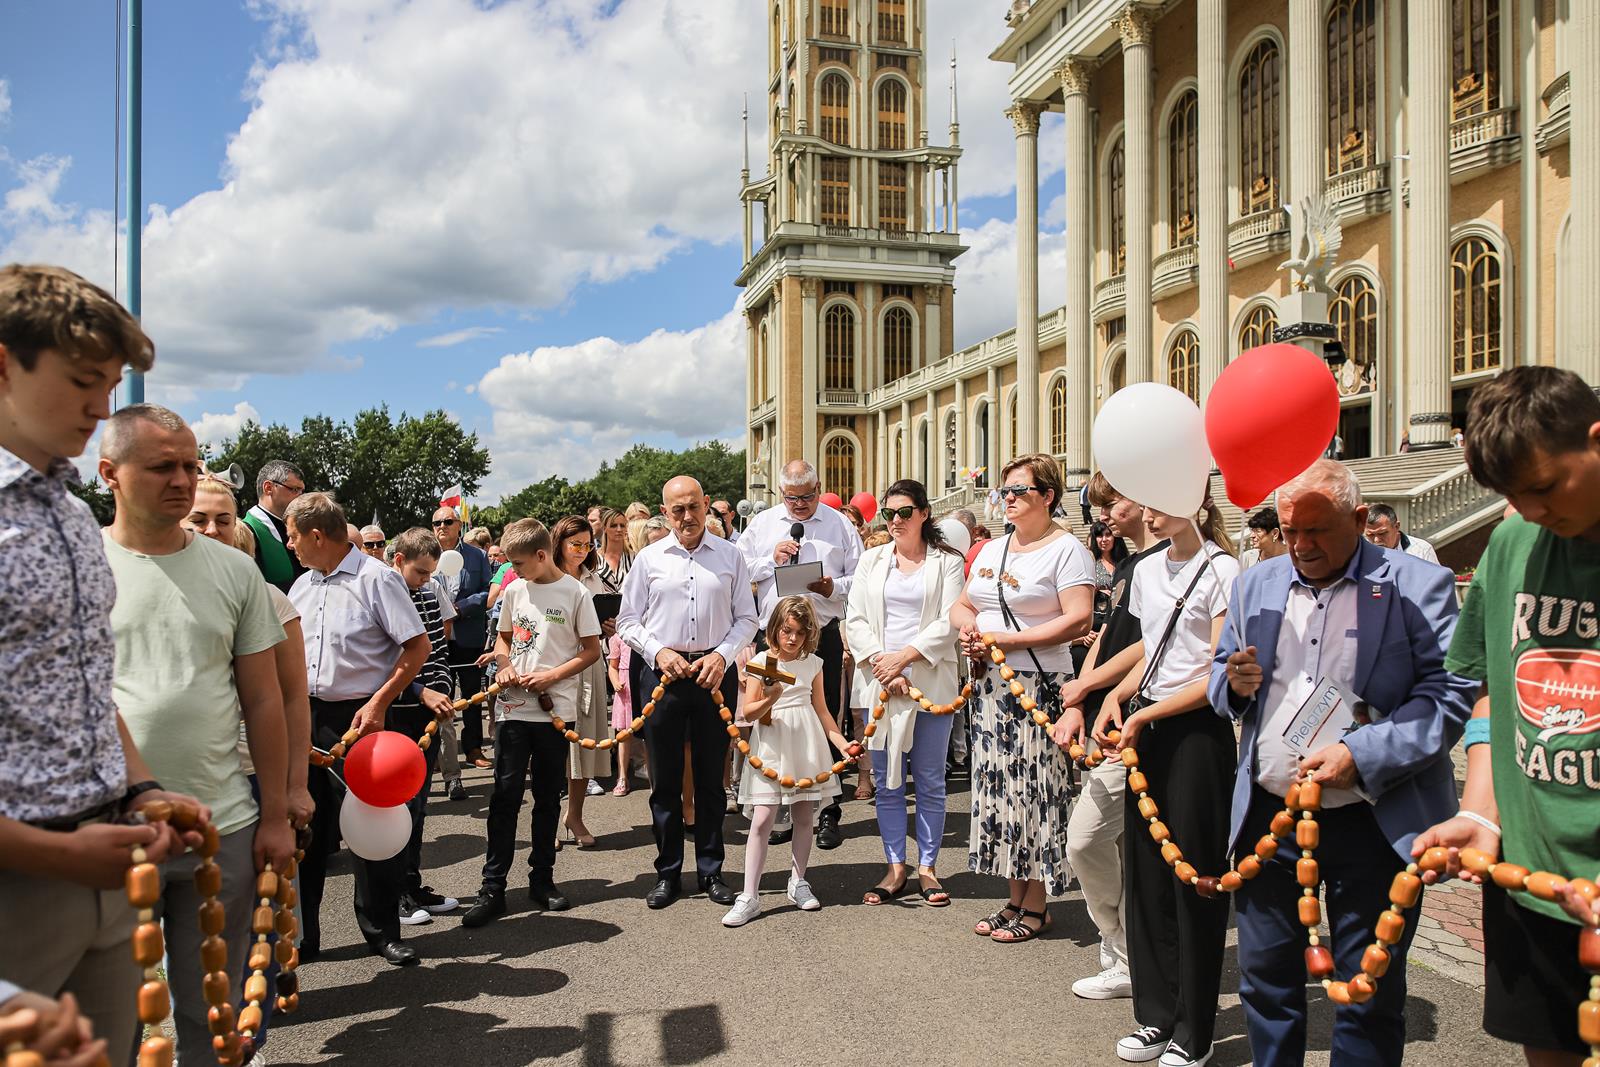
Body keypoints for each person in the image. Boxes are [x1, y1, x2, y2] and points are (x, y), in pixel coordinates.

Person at [0, 263, 209, 1061]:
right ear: (3, 363)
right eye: (84, 379)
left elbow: (83, 684)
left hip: (107, 861)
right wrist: (55, 851)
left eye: (112, 383)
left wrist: (142, 787)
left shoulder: (67, 510)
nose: (101, 404)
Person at [1411, 367, 1600, 1066]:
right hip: (1532, 881)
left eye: (1546, 486)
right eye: (1514, 495)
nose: (1532, 509)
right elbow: (1492, 681)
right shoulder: (1513, 544)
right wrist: (1482, 811)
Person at [96, 405, 294, 1060]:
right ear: (109, 474)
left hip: (224, 827)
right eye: (162, 466)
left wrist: (275, 814)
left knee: (211, 1020)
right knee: (111, 1022)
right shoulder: (83, 565)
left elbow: (264, 698)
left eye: (190, 464)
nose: (182, 480)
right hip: (110, 830)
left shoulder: (235, 572)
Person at [1087, 491, 1239, 1067]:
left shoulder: (1223, 568)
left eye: (1161, 501)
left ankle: (1194, 1030)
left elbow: (1215, 668)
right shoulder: (1148, 569)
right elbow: (1155, 644)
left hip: (1197, 731)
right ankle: (1155, 1014)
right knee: (1147, 876)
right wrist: (1116, 698)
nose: (1147, 514)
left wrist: (1145, 712)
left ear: (1196, 502)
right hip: (1144, 723)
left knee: (1192, 874)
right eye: (1144, 502)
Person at [950, 453, 1094, 942]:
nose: (1008, 499)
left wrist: (1009, 641)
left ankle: (1037, 904)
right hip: (991, 686)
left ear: (1048, 496)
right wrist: (968, 628)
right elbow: (964, 603)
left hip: (1037, 683)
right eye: (1003, 492)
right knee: (999, 792)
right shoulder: (992, 550)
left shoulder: (1067, 550)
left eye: (1019, 491)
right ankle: (1014, 898)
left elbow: (1079, 620)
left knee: (1033, 792)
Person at [286, 492, 429, 966]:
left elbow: (417, 647)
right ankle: (305, 936)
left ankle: (381, 930)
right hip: (309, 718)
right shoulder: (300, 587)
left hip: (362, 719)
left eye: (292, 535)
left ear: (316, 535)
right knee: (308, 831)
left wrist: (380, 702)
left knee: (373, 828)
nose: (289, 545)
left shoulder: (377, 579)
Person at [617, 476, 758, 909]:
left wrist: (722, 656)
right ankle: (667, 873)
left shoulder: (731, 556)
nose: (687, 517)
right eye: (677, 510)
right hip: (663, 677)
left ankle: (712, 871)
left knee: (714, 780)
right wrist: (658, 652)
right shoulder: (649, 559)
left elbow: (747, 618)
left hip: (714, 675)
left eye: (693, 507)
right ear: (666, 511)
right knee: (664, 781)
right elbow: (627, 621)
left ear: (706, 505)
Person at [1054, 471, 1168, 1001]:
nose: (1103, 513)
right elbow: (1106, 637)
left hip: (1142, 717)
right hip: (1111, 715)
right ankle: (1125, 950)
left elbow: (1149, 648)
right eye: (1099, 504)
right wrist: (1081, 696)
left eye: (1111, 501)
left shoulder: (1166, 561)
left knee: (1088, 839)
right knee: (1108, 842)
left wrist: (1102, 692)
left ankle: (1125, 950)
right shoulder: (1126, 564)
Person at [462, 518, 599, 926]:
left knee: (545, 797)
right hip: (512, 709)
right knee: (504, 796)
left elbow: (591, 650)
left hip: (555, 712)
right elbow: (504, 638)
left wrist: (553, 676)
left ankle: (542, 879)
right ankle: (493, 888)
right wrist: (503, 664)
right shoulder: (515, 590)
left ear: (542, 555)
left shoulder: (575, 593)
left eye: (518, 564)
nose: (513, 571)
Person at [844, 479, 967, 906]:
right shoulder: (872, 559)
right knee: (887, 781)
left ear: (924, 513)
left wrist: (906, 659)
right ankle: (895, 865)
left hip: (929, 681)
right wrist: (884, 662)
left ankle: (928, 868)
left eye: (904, 512)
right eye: (889, 514)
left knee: (931, 779)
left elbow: (950, 620)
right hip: (881, 681)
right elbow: (854, 617)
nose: (896, 521)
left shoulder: (947, 562)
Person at [740, 460, 862, 846]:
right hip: (774, 642)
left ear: (819, 488)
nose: (799, 505)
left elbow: (861, 577)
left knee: (822, 716)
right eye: (792, 498)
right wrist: (769, 560)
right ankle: (788, 808)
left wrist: (832, 588)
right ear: (780, 494)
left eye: (807, 497)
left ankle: (828, 811)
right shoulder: (762, 525)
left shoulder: (839, 524)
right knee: (775, 717)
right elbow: (737, 568)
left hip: (819, 635)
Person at [722, 597, 852, 926]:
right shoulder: (764, 661)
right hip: (771, 744)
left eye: (799, 632)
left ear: (809, 634)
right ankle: (750, 894)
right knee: (762, 818)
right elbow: (748, 712)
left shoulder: (814, 664)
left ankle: (798, 881)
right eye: (786, 631)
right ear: (774, 630)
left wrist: (842, 743)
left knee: (804, 815)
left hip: (806, 743)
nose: (792, 638)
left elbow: (823, 713)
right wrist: (772, 695)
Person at [386, 528, 462, 925]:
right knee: (398, 809)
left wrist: (441, 692)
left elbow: (439, 653)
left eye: (431, 573)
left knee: (418, 806)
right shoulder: (383, 595)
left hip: (428, 715)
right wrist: (420, 693)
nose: (426, 580)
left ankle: (411, 884)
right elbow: (386, 659)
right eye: (419, 572)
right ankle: (396, 893)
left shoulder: (428, 595)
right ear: (398, 559)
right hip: (396, 713)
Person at [551, 516, 611, 846]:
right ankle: (548, 820)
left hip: (589, 666)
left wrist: (608, 624)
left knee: (584, 744)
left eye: (588, 544)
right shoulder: (546, 577)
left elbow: (598, 625)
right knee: (553, 747)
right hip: (556, 665)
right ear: (558, 543)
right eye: (576, 544)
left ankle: (574, 815)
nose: (582, 550)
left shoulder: (592, 577)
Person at [433, 505, 494, 769]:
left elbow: (487, 592)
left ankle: (473, 748)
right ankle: (437, 753)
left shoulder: (477, 556)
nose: (442, 527)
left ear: (459, 525)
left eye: (447, 521)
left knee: (471, 695)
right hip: (436, 638)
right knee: (437, 694)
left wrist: (460, 607)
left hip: (468, 635)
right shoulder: (426, 554)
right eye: (436, 523)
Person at [243, 459, 307, 593]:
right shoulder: (248, 531)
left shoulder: (301, 526)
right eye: (294, 489)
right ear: (268, 488)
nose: (300, 497)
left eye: (301, 491)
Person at [1364, 502, 1441, 565]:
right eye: (1370, 535)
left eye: (1382, 533)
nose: (1376, 540)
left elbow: (1437, 582)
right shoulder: (1359, 552)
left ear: (1397, 526)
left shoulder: (1421, 550)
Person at [594, 506, 632, 592]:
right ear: (604, 528)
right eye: (613, 526)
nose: (619, 529)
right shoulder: (594, 559)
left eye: (622, 526)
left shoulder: (636, 558)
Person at [1240, 507, 1286, 571]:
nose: (1252, 536)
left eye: (1258, 531)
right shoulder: (1247, 558)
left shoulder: (1294, 558)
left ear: (1275, 533)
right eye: (1252, 531)